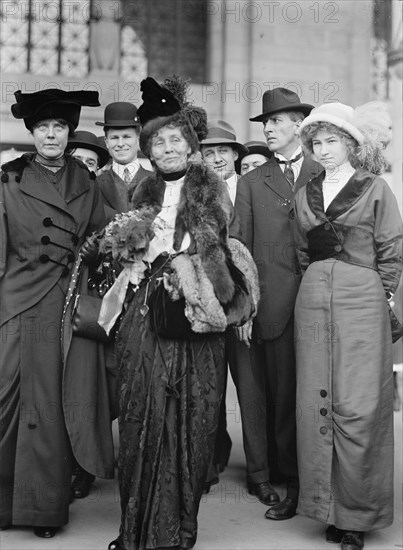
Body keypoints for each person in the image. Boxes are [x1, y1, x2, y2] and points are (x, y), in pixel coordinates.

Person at [101, 76, 258, 550]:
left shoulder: (207, 184)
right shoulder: (143, 189)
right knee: (139, 413)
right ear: (148, 149)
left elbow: (211, 245)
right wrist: (125, 250)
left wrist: (180, 268)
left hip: (192, 310)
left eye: (175, 139)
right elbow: (129, 248)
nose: (167, 147)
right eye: (158, 141)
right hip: (144, 312)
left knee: (191, 417)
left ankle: (176, 530)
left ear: (190, 145)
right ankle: (136, 530)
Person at [0, 89, 111, 538]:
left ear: (68, 134)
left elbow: (103, 243)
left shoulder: (87, 183)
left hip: (64, 301)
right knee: (7, 397)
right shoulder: (7, 179)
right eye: (43, 127)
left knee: (49, 403)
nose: (51, 134)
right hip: (16, 299)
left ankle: (43, 510)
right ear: (32, 133)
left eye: (59, 128)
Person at [293, 102, 402, 550]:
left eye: (331, 140)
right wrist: (317, 283)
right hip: (314, 298)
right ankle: (326, 508)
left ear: (351, 143)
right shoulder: (305, 193)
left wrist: (384, 294)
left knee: (358, 403)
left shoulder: (375, 188)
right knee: (316, 399)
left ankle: (356, 515)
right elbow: (301, 250)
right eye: (316, 143)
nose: (323, 149)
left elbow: (391, 248)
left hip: (362, 301)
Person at [233, 87, 323, 520]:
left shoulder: (325, 172)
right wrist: (246, 304)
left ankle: (310, 478)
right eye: (265, 123)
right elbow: (239, 247)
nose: (269, 128)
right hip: (268, 307)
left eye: (276, 121)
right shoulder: (252, 181)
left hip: (317, 303)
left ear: (298, 127)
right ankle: (280, 479)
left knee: (309, 393)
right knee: (273, 394)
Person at [199, 120, 248, 492]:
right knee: (208, 383)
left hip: (244, 302)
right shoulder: (197, 192)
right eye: (209, 152)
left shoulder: (249, 188)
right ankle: (211, 458)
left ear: (235, 155)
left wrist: (250, 306)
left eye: (223, 152)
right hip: (208, 301)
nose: (216, 158)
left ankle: (262, 468)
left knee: (249, 386)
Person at [66, 129, 114, 500]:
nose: (84, 167)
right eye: (78, 159)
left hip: (83, 301)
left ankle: (82, 466)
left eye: (91, 163)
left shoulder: (102, 206)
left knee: (83, 387)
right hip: (41, 300)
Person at [96, 102, 153, 215]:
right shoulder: (95, 185)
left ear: (138, 139)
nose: (120, 143)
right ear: (106, 142)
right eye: (114, 138)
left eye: (126, 137)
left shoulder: (158, 182)